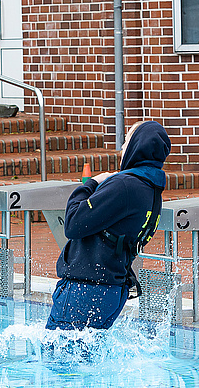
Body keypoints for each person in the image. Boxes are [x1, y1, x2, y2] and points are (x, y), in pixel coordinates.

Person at [45, 121, 171, 331]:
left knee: (57, 358)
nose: (122, 148)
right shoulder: (152, 189)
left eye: (126, 141)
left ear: (137, 145)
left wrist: (91, 184)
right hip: (112, 289)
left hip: (86, 288)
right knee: (88, 360)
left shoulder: (125, 185)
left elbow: (73, 224)